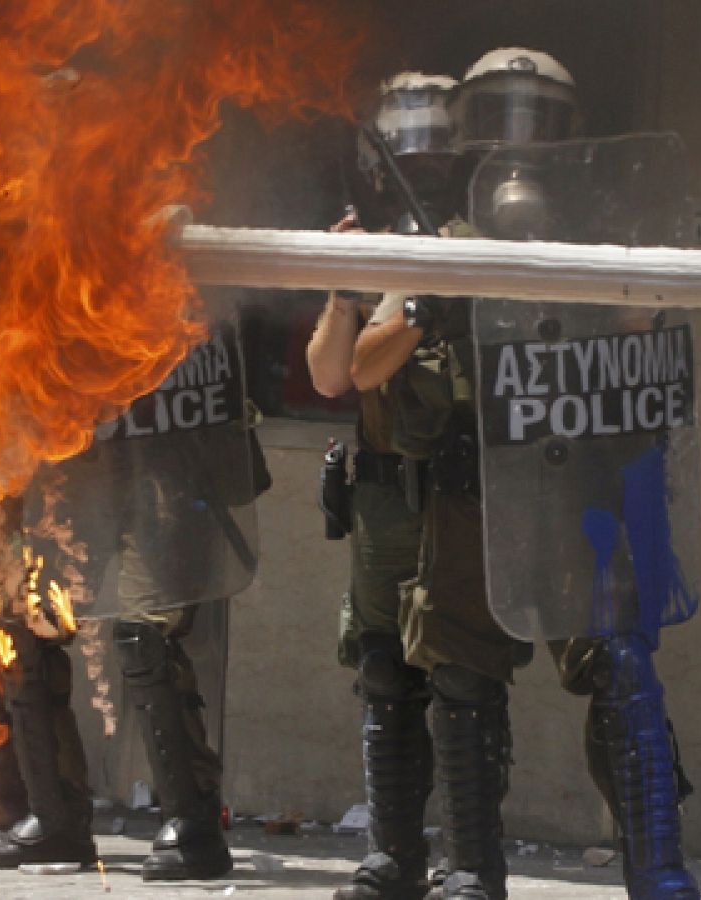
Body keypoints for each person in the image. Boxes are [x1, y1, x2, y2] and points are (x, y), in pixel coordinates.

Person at [453, 48, 701, 900]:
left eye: (537, 115)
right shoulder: (439, 238)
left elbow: (647, 342)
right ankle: (466, 869)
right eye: (500, 111)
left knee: (620, 666)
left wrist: (638, 304)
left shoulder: (598, 227)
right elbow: (356, 369)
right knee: (456, 679)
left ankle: (657, 863)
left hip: (580, 490)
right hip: (469, 492)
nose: (518, 136)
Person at [0, 323, 265, 882]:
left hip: (168, 461)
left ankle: (194, 824)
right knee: (28, 630)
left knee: (145, 635)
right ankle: (55, 818)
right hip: (75, 461)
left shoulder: (176, 249)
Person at [310, 71, 458, 900]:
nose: (417, 156)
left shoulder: (464, 235)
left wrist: (404, 299)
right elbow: (331, 374)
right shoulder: (387, 240)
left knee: (462, 679)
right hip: (381, 501)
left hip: (454, 495)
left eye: (430, 141)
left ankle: (469, 859)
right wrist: (343, 283)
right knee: (384, 672)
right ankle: (393, 855)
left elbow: (367, 366)